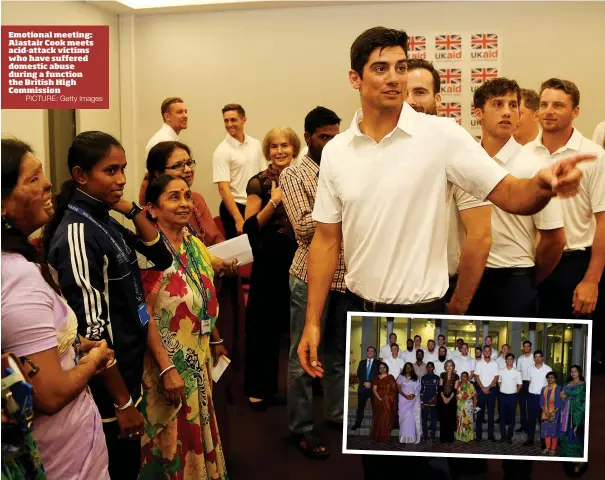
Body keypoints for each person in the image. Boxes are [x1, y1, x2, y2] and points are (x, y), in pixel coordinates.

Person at [297, 26, 594, 479]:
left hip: (423, 317)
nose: (393, 77)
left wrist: (543, 185)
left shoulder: (440, 136)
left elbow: (511, 193)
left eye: (400, 66)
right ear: (355, 79)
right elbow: (324, 239)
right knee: (376, 454)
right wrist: (313, 321)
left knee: (424, 448)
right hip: (363, 318)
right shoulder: (338, 150)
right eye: (380, 68)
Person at [44, 131, 173, 479]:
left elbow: (161, 256)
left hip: (128, 367)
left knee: (127, 465)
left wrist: (130, 208)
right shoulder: (78, 233)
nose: (121, 180)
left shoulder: (103, 218)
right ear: (80, 175)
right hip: (108, 387)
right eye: (111, 171)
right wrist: (122, 403)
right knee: (115, 468)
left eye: (123, 170)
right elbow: (91, 334)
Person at [1, 138, 113, 479]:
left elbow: (22, 350)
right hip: (60, 458)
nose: (49, 183)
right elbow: (49, 394)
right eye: (33, 179)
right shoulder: (16, 278)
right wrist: (93, 360)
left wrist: (75, 344)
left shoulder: (19, 263)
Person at [139, 175, 228, 479]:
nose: (185, 204)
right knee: (171, 446)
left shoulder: (193, 244)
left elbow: (202, 296)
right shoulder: (148, 252)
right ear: (151, 208)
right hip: (167, 367)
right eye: (174, 197)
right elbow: (142, 314)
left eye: (187, 196)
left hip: (198, 360)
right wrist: (166, 369)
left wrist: (215, 339)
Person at [281, 106, 346, 458]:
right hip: (308, 276)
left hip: (345, 278)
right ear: (308, 137)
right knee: (302, 355)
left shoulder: (345, 169)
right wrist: (343, 212)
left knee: (338, 354)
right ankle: (301, 428)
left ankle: (337, 416)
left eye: (336, 136)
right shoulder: (293, 175)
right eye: (324, 137)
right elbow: (306, 229)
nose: (332, 142)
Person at [406, 58, 491, 315]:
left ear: (438, 99)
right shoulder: (378, 151)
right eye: (403, 93)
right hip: (386, 292)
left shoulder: (456, 148)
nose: (410, 101)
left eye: (420, 92)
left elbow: (480, 235)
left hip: (440, 292)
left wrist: (458, 303)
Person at [244, 127, 299, 410]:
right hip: (268, 263)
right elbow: (249, 228)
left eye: (285, 146)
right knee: (264, 329)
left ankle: (305, 389)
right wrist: (274, 201)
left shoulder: (306, 178)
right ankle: (259, 388)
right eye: (274, 146)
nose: (279, 151)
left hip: (301, 262)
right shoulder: (259, 183)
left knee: (301, 328)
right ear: (267, 151)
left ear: (294, 148)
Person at [212, 104, 266, 239]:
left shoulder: (256, 144)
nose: (229, 124)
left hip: (256, 206)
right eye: (226, 120)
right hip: (235, 209)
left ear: (244, 120)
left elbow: (264, 175)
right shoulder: (222, 151)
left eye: (233, 120)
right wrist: (238, 219)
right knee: (239, 256)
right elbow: (223, 189)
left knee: (259, 249)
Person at [559, 365, 587, 464]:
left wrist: (567, 396)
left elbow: (581, 400)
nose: (573, 373)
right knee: (565, 430)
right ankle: (566, 452)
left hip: (576, 412)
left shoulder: (582, 385)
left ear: (579, 372)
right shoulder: (568, 383)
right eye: (571, 371)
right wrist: (568, 396)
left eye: (575, 371)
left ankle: (575, 454)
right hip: (566, 411)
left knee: (574, 431)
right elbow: (561, 395)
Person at [525, 350, 552, 447]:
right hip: (531, 397)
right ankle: (530, 440)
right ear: (534, 358)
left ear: (542, 358)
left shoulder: (548, 369)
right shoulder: (529, 369)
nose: (537, 358)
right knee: (531, 419)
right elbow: (529, 381)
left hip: (543, 398)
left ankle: (543, 442)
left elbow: (550, 384)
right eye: (535, 357)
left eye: (539, 356)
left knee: (543, 421)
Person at [353, 347, 380, 432]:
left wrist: (370, 383)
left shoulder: (378, 363)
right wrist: (364, 382)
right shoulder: (362, 362)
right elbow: (359, 374)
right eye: (368, 351)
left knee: (375, 408)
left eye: (372, 351)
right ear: (367, 352)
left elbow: (379, 375)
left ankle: (376, 425)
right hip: (362, 388)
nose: (370, 352)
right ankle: (357, 423)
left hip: (373, 389)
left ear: (374, 353)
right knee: (360, 407)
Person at [370, 362, 397, 443]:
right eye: (380, 368)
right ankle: (377, 436)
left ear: (387, 368)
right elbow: (374, 389)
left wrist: (390, 398)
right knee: (377, 418)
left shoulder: (391, 377)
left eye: (384, 367)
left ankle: (386, 437)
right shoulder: (376, 378)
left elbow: (394, 389)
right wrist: (379, 398)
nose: (382, 369)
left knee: (387, 418)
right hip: (378, 400)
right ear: (378, 369)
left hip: (389, 401)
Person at [498, 353, 522, 443]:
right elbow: (499, 382)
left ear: (514, 361)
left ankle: (509, 436)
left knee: (512, 417)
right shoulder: (501, 371)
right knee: (502, 417)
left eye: (511, 359)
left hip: (512, 397)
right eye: (507, 359)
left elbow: (520, 385)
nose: (509, 360)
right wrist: (503, 389)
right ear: (505, 361)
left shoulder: (517, 372)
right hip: (503, 396)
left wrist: (515, 392)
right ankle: (503, 436)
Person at [396, 363, 421, 444]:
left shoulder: (416, 378)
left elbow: (417, 389)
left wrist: (413, 395)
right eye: (406, 367)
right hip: (403, 400)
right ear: (404, 368)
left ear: (412, 368)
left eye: (410, 367)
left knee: (411, 419)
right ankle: (403, 438)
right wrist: (405, 396)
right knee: (403, 419)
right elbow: (399, 389)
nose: (408, 369)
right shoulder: (400, 377)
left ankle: (411, 438)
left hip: (413, 400)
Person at [540, 371, 562, 456]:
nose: (550, 379)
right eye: (548, 377)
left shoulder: (558, 388)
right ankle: (547, 447)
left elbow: (559, 402)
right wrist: (546, 412)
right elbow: (541, 402)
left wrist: (553, 413)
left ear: (555, 379)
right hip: (545, 413)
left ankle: (553, 449)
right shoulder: (543, 389)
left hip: (555, 413)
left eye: (552, 377)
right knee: (546, 431)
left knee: (554, 431)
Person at [438, 360, 459, 443]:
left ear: (453, 367)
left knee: (450, 419)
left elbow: (455, 389)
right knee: (443, 419)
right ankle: (443, 438)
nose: (449, 367)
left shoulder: (456, 376)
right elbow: (440, 387)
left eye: (451, 365)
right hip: (442, 399)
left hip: (452, 400)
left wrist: (449, 399)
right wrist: (443, 398)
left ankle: (450, 438)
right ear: (445, 367)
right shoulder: (442, 375)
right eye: (447, 365)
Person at [420, 362, 439, 442]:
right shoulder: (423, 378)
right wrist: (421, 402)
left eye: (431, 367)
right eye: (428, 367)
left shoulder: (437, 378)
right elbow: (421, 391)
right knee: (424, 420)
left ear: (433, 368)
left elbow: (438, 391)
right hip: (425, 402)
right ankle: (425, 436)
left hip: (434, 402)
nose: (429, 368)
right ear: (426, 368)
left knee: (433, 420)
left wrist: (434, 398)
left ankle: (433, 436)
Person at [456, 371, 476, 442]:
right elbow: (456, 396)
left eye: (465, 376)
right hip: (459, 407)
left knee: (467, 422)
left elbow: (475, 396)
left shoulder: (470, 385)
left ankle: (468, 437)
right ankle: (460, 437)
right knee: (460, 422)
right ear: (460, 377)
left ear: (468, 378)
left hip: (468, 407)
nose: (463, 378)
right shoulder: (458, 385)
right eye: (462, 376)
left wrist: (474, 406)